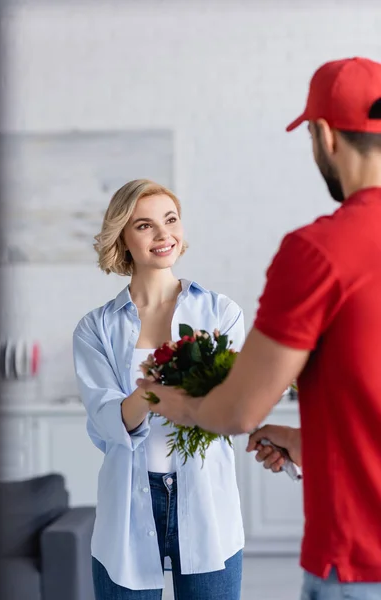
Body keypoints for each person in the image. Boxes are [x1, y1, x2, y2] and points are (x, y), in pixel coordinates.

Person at [137, 57, 381, 599]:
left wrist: (169, 403)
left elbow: (238, 412)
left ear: (323, 135)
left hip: (360, 563)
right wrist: (301, 441)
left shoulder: (319, 252)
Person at [73, 179, 245, 600]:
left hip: (206, 500)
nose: (164, 234)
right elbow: (103, 420)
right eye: (145, 225)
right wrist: (149, 392)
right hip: (128, 504)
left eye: (170, 220)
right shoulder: (96, 327)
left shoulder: (220, 311)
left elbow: (236, 405)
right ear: (123, 238)